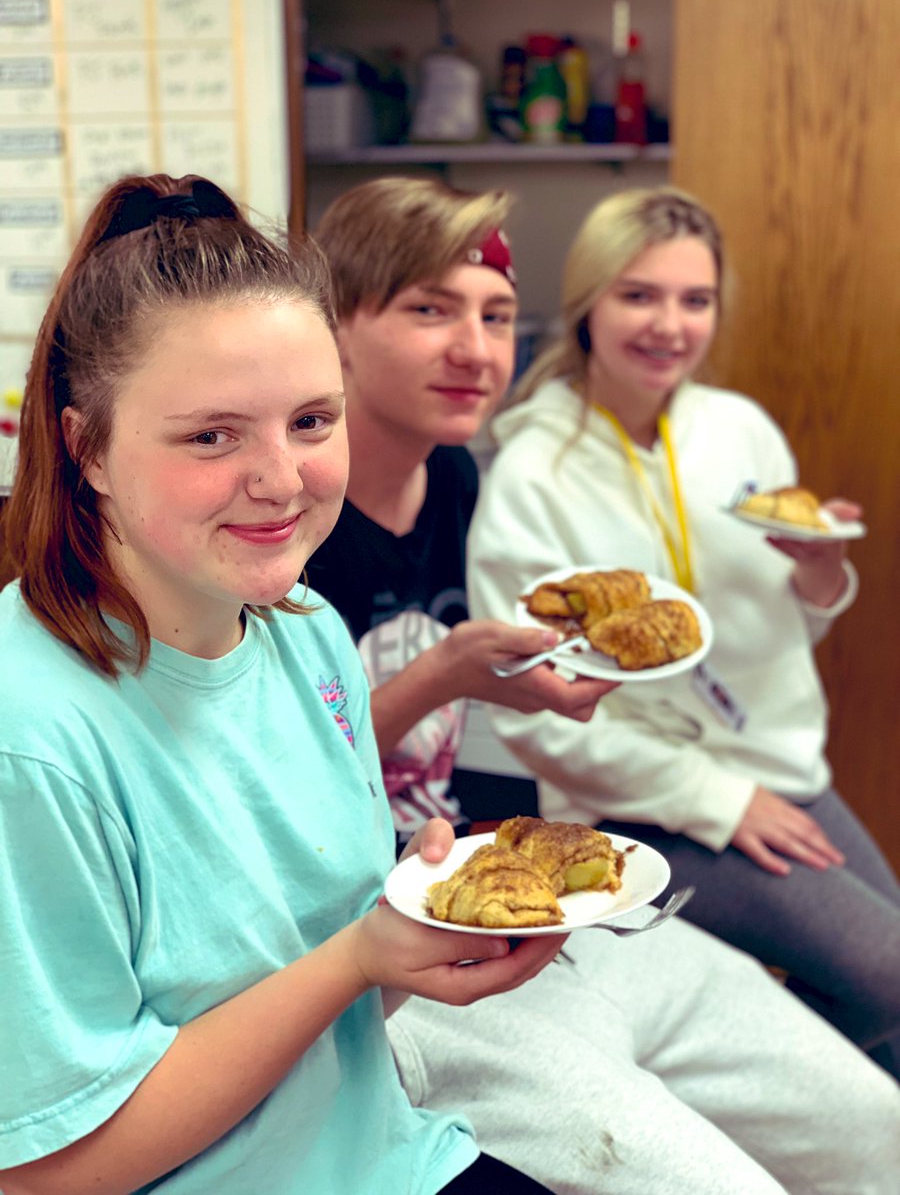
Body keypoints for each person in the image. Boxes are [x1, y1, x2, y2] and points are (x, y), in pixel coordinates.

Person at [307, 173, 900, 1195]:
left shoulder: (454, 476)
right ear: (334, 327)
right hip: (386, 952)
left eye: (495, 316)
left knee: (874, 1120)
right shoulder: (297, 513)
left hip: (512, 884)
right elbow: (274, 769)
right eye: (429, 310)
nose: (476, 349)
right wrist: (458, 675)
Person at [0, 172, 565, 1195]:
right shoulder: (28, 738)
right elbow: (44, 1172)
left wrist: (412, 940)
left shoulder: (306, 636)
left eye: (312, 421)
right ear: (86, 447)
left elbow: (317, 1011)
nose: (281, 478)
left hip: (388, 1158)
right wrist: (358, 960)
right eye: (213, 435)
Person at [466, 184, 900, 1080]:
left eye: (694, 300)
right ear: (589, 303)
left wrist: (821, 578)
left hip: (781, 772)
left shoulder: (738, 430)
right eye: (640, 295)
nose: (670, 325)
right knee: (888, 976)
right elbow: (533, 717)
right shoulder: (532, 473)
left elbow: (779, 618)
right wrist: (718, 801)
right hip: (642, 808)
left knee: (882, 989)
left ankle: (787, 1119)